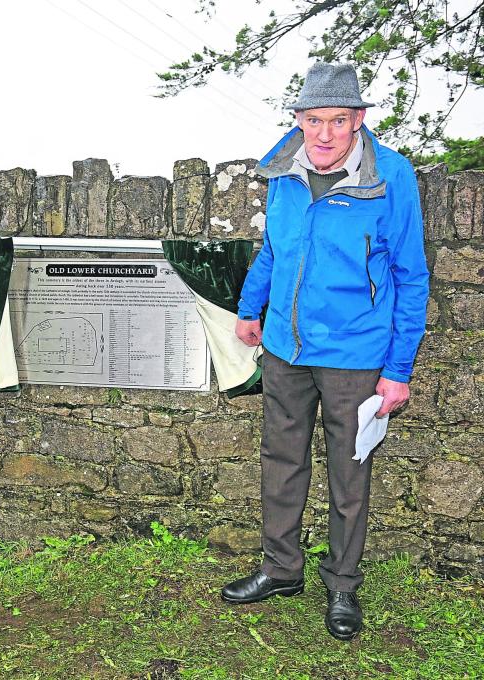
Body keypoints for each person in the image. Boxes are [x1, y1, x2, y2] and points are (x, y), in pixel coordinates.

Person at [220, 63, 429, 640]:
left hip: (355, 356)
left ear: (359, 119)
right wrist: (249, 308)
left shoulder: (392, 177)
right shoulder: (283, 172)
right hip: (286, 349)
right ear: (300, 121)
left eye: (339, 120)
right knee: (281, 462)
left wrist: (397, 370)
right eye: (315, 120)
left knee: (349, 471)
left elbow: (411, 276)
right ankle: (281, 569)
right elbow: (273, 251)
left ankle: (342, 585)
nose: (325, 134)